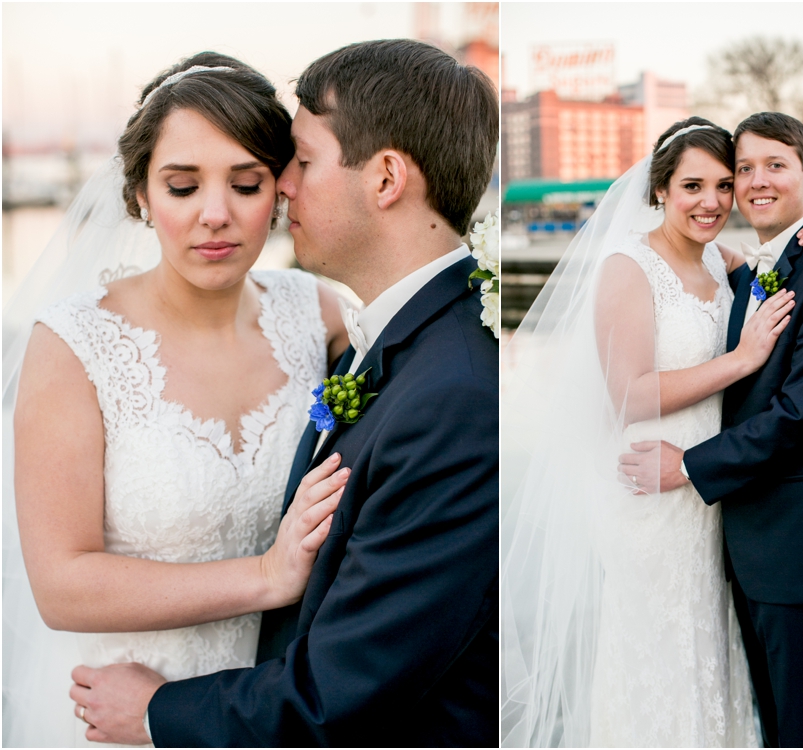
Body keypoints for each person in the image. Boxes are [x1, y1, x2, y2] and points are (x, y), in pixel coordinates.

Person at [70, 39, 500, 747]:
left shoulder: (451, 392)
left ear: (386, 176)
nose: (283, 187)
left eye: (300, 160)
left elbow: (344, 690)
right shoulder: (393, 335)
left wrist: (157, 713)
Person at [2, 53, 353, 747]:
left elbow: (348, 450)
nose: (215, 216)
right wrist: (264, 577)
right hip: (117, 714)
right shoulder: (72, 347)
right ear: (138, 194)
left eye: (246, 184)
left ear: (280, 190)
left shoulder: (324, 319)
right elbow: (61, 586)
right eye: (183, 186)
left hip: (274, 709)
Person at [500, 116, 803, 747]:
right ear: (660, 189)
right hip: (650, 492)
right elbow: (627, 394)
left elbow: (793, 262)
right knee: (655, 656)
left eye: (725, 183)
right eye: (693, 185)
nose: (713, 201)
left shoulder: (725, 262)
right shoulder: (627, 267)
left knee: (713, 657)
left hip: (713, 494)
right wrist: (741, 360)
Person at [625, 112, 803, 747]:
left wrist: (685, 465)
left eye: (776, 165)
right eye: (745, 169)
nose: (755, 181)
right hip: (751, 546)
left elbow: (799, 415)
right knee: (772, 727)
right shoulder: (757, 269)